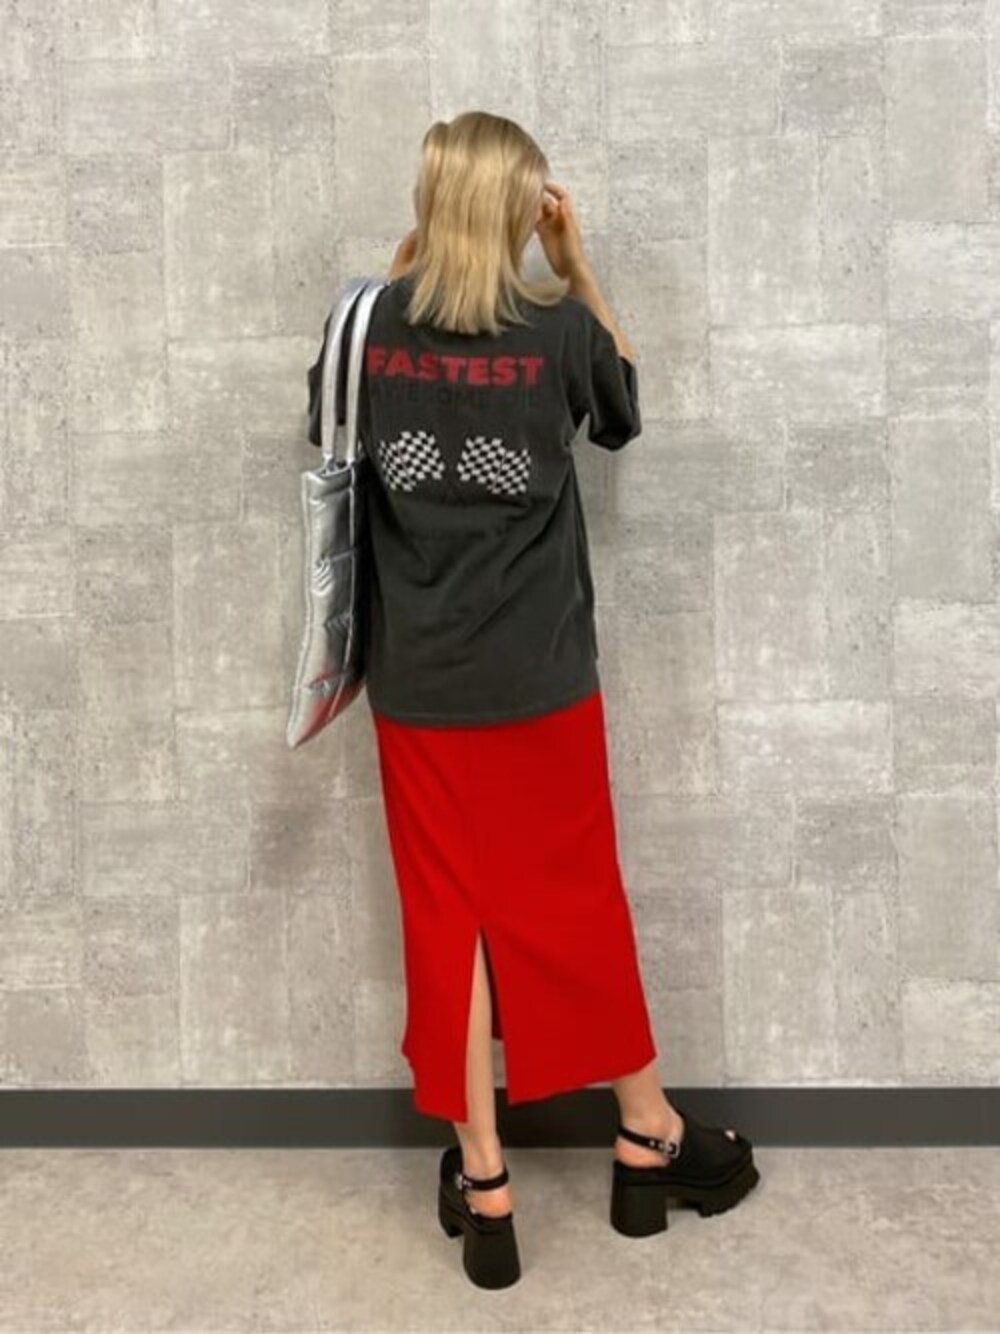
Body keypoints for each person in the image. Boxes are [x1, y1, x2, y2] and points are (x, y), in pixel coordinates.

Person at [306, 110, 759, 1289]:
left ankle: (487, 1180)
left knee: (446, 917)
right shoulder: (558, 332)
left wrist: (396, 279)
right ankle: (645, 1131)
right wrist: (578, 267)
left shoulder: (365, 327)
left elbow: (326, 429)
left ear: (430, 202)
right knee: (574, 899)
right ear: (520, 211)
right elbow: (622, 409)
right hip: (541, 678)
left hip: (419, 684)